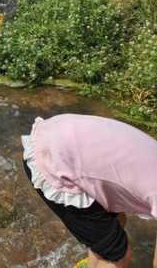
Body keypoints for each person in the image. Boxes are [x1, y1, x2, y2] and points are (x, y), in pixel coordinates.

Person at [21, 113, 157, 267]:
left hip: (59, 134)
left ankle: (97, 261)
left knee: (116, 224)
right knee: (118, 255)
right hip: (55, 164)